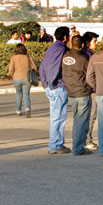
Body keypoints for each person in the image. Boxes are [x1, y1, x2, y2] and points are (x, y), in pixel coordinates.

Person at [39, 26, 71, 154]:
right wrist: (52, 83)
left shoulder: (52, 48)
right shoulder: (60, 49)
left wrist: (46, 84)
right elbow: (55, 67)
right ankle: (55, 145)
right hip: (57, 87)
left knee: (56, 117)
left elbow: (42, 67)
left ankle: (57, 143)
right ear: (65, 37)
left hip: (51, 87)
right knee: (58, 118)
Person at [61, 36, 93, 156]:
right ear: (83, 45)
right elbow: (89, 75)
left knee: (76, 120)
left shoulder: (65, 57)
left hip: (71, 91)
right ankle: (78, 147)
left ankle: (77, 144)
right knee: (82, 121)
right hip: (82, 92)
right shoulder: (83, 58)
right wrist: (91, 88)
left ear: (71, 43)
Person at [81, 32, 100, 150]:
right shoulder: (89, 55)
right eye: (94, 41)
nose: (96, 43)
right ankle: (88, 139)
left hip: (82, 89)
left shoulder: (83, 53)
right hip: (90, 89)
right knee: (91, 115)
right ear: (88, 42)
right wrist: (95, 86)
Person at [8, 43, 36, 118]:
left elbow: (10, 69)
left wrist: (12, 75)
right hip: (27, 78)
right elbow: (34, 68)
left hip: (17, 77)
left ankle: (18, 110)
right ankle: (27, 109)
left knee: (18, 94)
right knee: (26, 94)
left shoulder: (13, 58)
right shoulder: (27, 57)